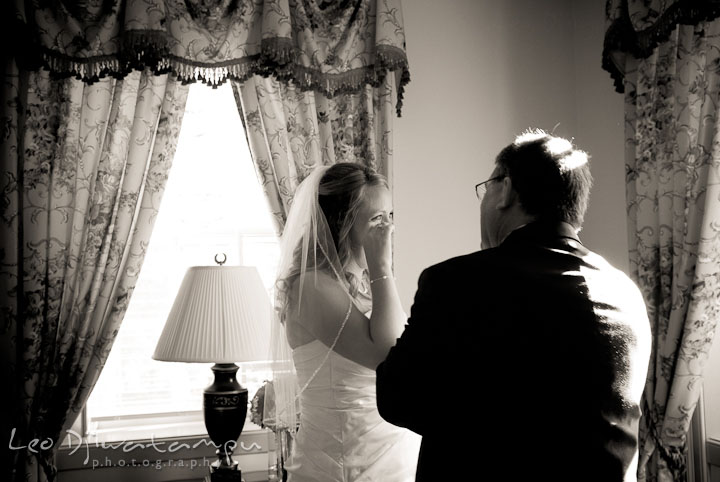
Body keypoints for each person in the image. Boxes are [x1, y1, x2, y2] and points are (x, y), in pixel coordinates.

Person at [376, 130, 652, 482]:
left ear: (505, 189)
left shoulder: (456, 282)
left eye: (486, 187)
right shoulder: (626, 292)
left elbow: (398, 399)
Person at [268, 162, 421, 482]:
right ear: (342, 223)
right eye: (377, 219)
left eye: (390, 216)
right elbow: (389, 356)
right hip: (343, 463)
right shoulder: (311, 285)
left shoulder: (365, 285)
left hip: (392, 453)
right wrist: (382, 265)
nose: (388, 229)